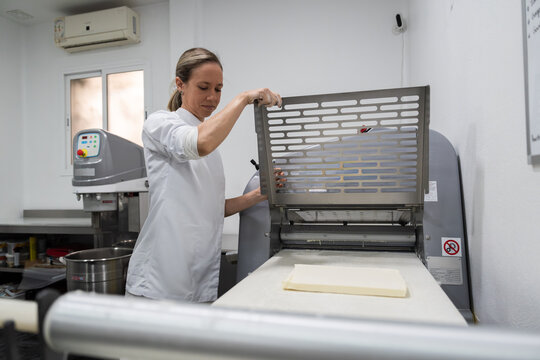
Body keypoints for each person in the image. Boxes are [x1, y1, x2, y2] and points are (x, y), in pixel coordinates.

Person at [126, 48, 281, 302]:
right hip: (158, 283)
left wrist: (261, 193)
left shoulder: (208, 142)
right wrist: (242, 98)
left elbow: (210, 209)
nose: (212, 97)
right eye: (204, 87)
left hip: (197, 280)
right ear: (180, 84)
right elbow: (199, 144)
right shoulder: (161, 124)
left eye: (218, 89)